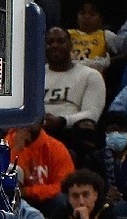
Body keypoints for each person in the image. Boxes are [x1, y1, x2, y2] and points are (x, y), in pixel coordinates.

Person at [43, 27, 107, 163]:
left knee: (86, 127)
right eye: (50, 42)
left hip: (69, 131)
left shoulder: (90, 75)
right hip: (37, 129)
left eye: (60, 41)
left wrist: (62, 120)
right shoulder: (34, 74)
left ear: (70, 45)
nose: (55, 45)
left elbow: (91, 114)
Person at [4, 124, 76, 214]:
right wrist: (17, 149)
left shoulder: (56, 148)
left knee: (62, 200)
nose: (29, 123)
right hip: (19, 200)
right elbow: (8, 183)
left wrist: (28, 191)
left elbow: (63, 186)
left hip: (47, 201)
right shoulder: (7, 143)